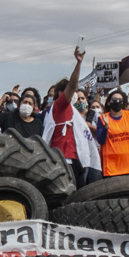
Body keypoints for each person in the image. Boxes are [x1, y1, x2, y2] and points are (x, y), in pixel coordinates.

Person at [45, 47, 87, 182]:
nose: (74, 94)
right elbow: (72, 85)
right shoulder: (59, 106)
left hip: (76, 159)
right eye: (70, 91)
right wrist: (79, 63)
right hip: (62, 159)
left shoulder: (74, 111)